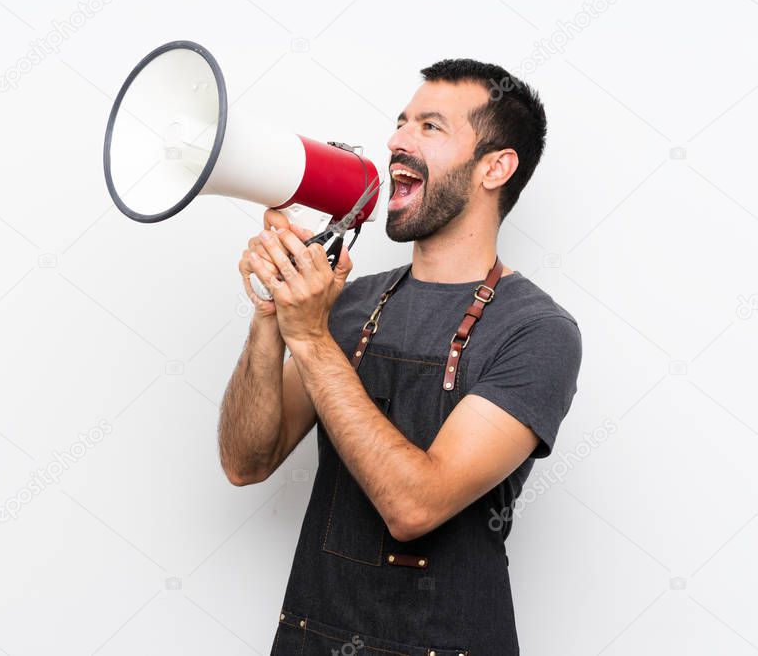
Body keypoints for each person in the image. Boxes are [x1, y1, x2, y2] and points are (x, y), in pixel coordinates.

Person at [218, 59, 582, 655]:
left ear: (496, 167)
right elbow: (246, 462)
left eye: (430, 127)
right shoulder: (349, 302)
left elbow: (415, 507)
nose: (396, 140)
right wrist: (272, 319)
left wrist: (309, 339)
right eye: (401, 122)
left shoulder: (537, 332)